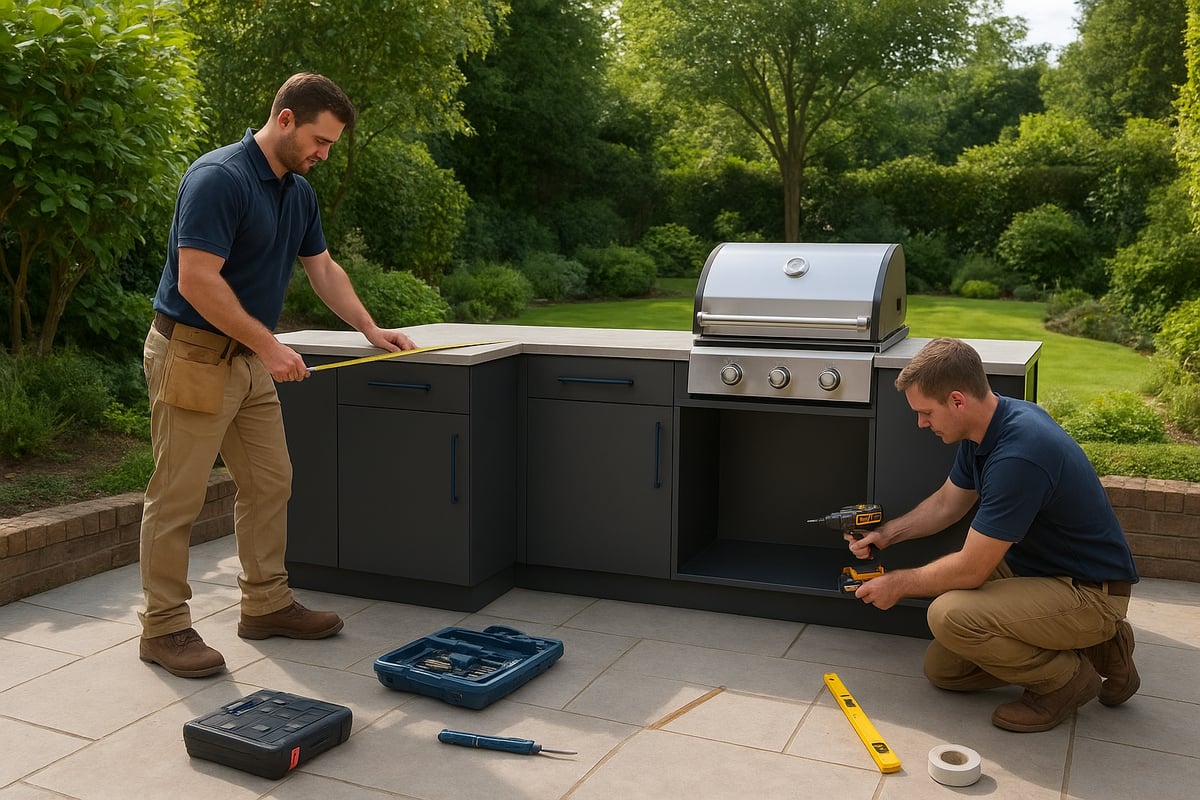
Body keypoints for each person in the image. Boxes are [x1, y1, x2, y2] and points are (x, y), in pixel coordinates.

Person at [138, 73, 416, 678]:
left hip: (245, 357)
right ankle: (163, 628)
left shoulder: (298, 193)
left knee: (271, 483)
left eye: (331, 146)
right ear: (285, 119)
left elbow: (323, 269)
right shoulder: (220, 178)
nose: (323, 154)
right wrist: (268, 345)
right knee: (178, 497)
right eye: (320, 140)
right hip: (192, 354)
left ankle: (265, 605)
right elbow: (197, 280)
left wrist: (370, 329)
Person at [846, 337, 1139, 732]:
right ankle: (1101, 646)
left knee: (948, 616)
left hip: (1089, 591)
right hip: (1039, 570)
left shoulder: (1020, 454)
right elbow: (949, 504)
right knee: (945, 671)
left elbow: (970, 570)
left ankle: (1067, 680)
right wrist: (886, 535)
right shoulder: (986, 429)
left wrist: (897, 583)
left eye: (925, 412)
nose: (921, 423)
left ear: (957, 400)